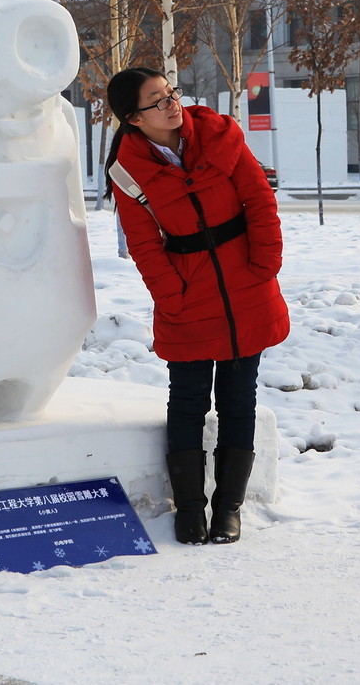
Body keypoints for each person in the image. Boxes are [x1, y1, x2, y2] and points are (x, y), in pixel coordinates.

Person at [105, 67, 290, 546]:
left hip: (247, 283)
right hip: (186, 294)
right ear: (132, 118)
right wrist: (172, 294)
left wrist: (265, 263)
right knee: (186, 401)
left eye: (171, 94)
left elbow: (258, 200)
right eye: (156, 101)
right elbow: (144, 245)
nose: (171, 104)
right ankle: (189, 510)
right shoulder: (127, 171)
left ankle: (228, 509)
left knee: (238, 398)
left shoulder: (220, 136)